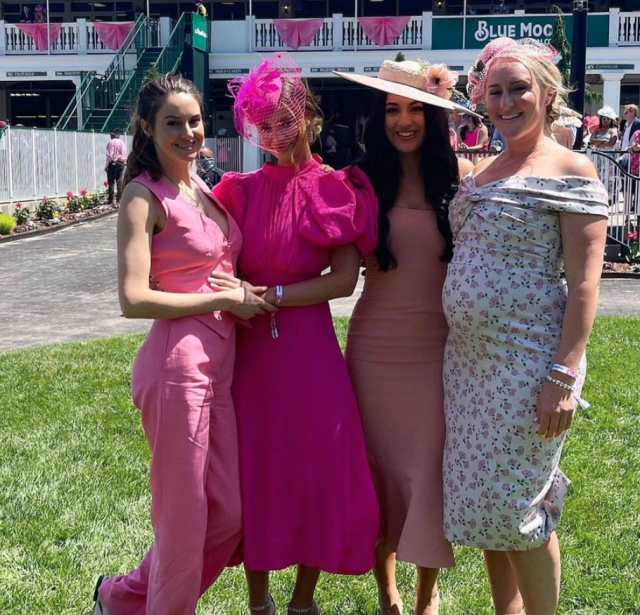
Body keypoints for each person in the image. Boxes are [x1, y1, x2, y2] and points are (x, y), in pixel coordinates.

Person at [91, 74, 272, 615]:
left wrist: (240, 293)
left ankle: (119, 600)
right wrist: (224, 302)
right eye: (173, 122)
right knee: (184, 521)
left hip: (219, 367)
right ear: (148, 127)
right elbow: (133, 298)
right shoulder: (142, 195)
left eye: (194, 120)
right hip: (177, 368)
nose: (188, 131)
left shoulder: (204, 188)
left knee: (227, 517)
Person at [210, 53, 380, 615]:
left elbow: (344, 280)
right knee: (255, 475)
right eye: (264, 124)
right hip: (251, 357)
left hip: (310, 355)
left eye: (285, 119)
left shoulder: (335, 186)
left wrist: (274, 297)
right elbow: (213, 264)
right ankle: (258, 602)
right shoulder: (238, 191)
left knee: (317, 473)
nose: (277, 133)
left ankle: (302, 601)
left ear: (308, 114)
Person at [444, 37, 608, 615]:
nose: (507, 101)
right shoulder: (484, 168)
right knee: (486, 507)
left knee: (517, 506)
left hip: (529, 364)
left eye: (520, 89)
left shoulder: (570, 168)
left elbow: (586, 284)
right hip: (466, 368)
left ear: (546, 93)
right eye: (496, 91)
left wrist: (563, 376)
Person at [334, 59, 475, 615]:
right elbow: (339, 269)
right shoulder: (359, 179)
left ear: (435, 115)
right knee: (379, 474)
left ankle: (426, 595)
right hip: (372, 352)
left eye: (416, 107)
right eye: (392, 108)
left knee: (426, 474)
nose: (404, 120)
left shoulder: (462, 179)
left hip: (439, 353)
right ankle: (387, 593)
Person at [105, 129, 128, 205]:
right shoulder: (122, 142)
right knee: (119, 180)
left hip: (113, 162)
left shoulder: (111, 143)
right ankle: (119, 199)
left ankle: (111, 199)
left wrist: (107, 165)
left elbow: (109, 155)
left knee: (111, 181)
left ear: (113, 135)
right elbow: (125, 154)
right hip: (121, 163)